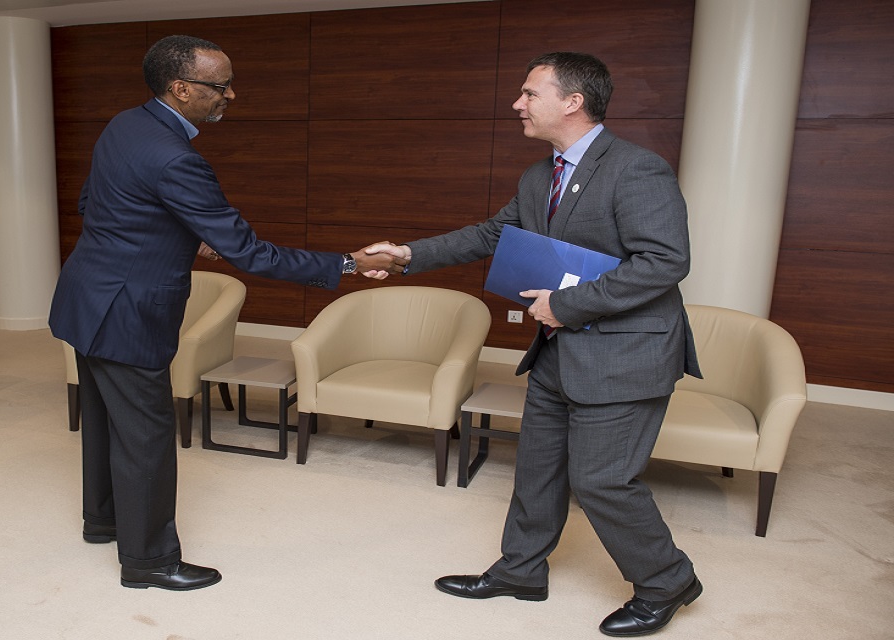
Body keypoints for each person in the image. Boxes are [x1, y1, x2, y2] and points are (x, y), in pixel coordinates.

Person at [48, 34, 403, 591]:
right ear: (181, 88)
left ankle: (104, 523)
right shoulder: (176, 158)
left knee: (103, 419)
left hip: (86, 296)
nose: (231, 95)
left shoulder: (124, 125)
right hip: (129, 311)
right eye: (220, 86)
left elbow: (95, 203)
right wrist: (347, 264)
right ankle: (149, 563)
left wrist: (178, 236)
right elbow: (250, 252)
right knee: (145, 436)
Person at [369, 52, 702, 636]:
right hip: (558, 351)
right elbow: (490, 234)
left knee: (602, 480)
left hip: (624, 353)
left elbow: (665, 262)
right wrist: (406, 256)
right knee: (538, 470)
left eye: (529, 93)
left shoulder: (635, 169)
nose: (517, 104)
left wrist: (566, 305)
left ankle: (667, 580)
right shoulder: (537, 175)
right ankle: (521, 570)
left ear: (573, 102)